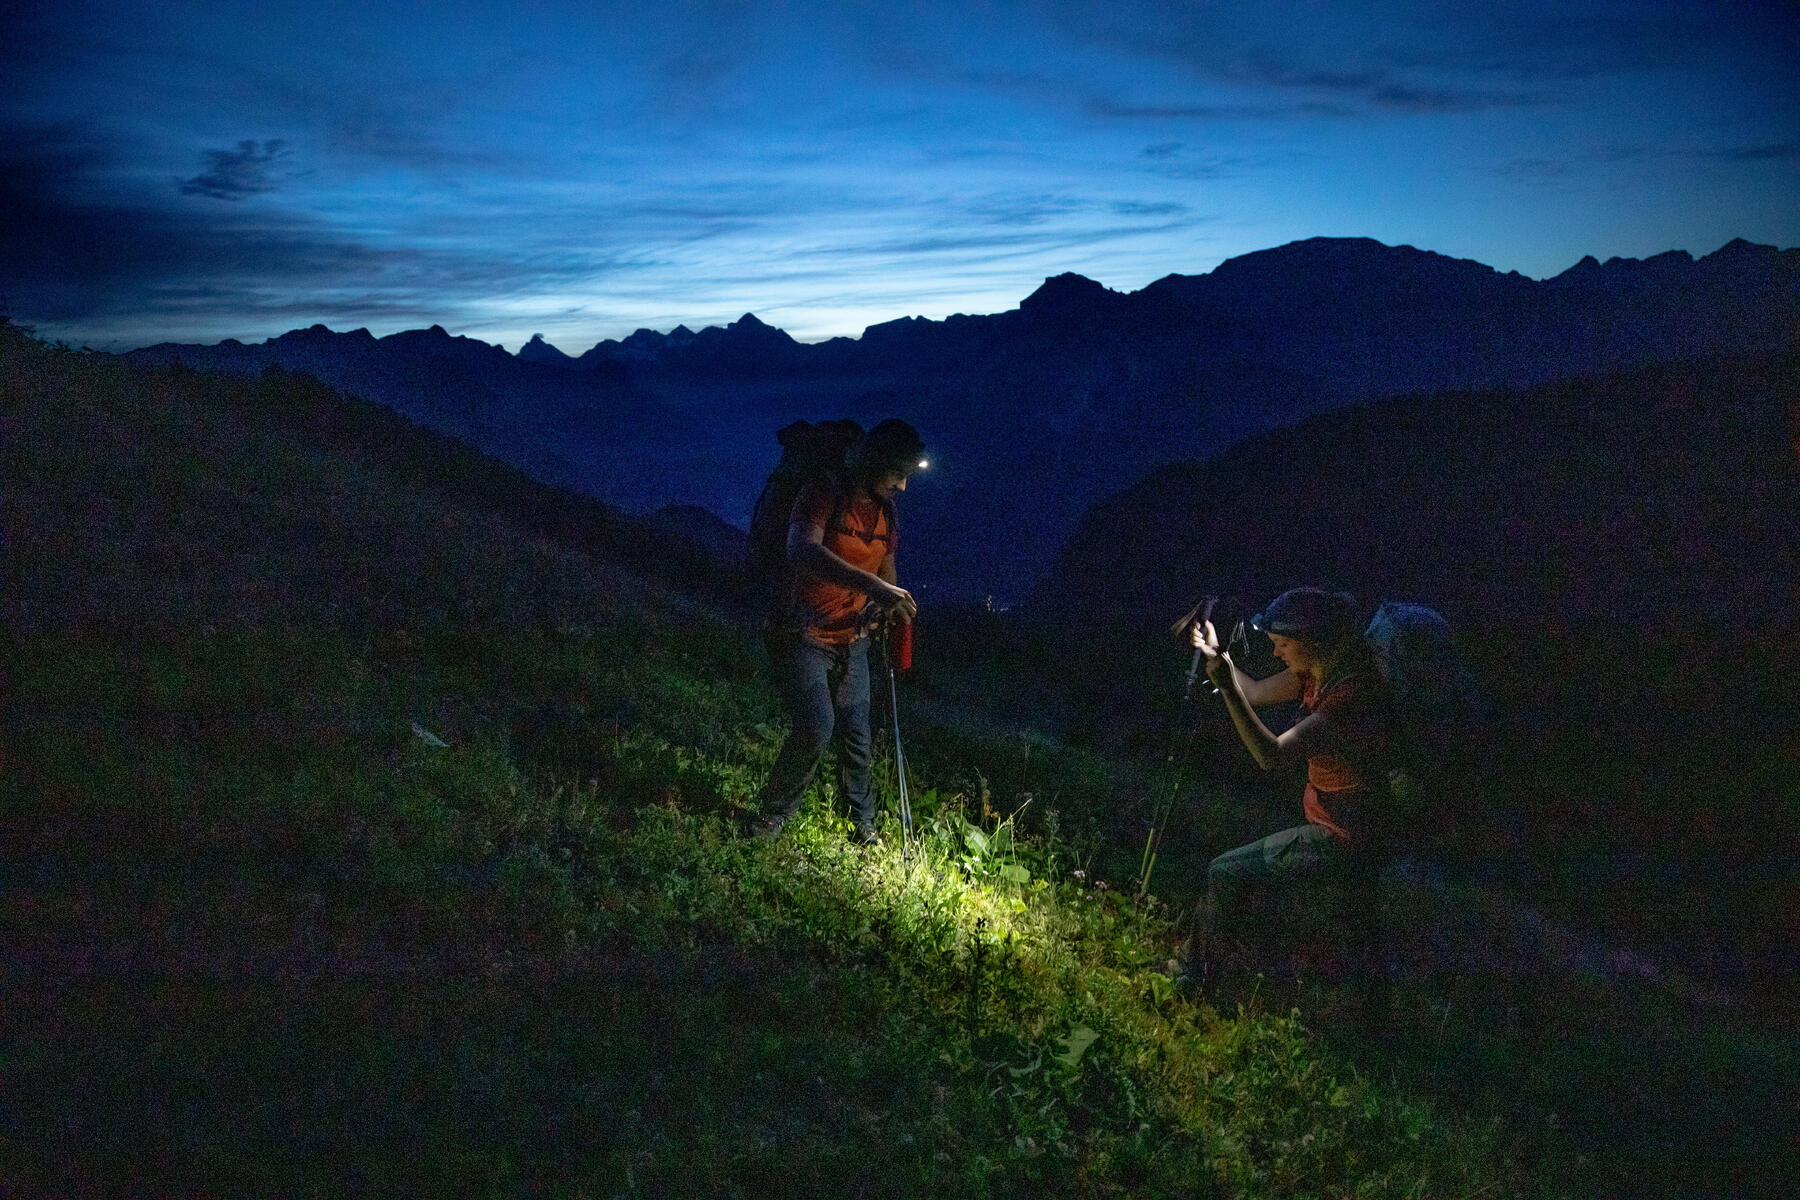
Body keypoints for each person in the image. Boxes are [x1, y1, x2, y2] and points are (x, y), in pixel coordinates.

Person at [1189, 587, 1397, 1013]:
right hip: (1355, 830)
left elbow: (1271, 754)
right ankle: (1372, 1023)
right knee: (1359, 935)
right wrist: (1220, 660)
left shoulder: (1349, 700)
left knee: (1225, 873)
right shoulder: (1317, 673)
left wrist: (1227, 688)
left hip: (1342, 835)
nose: (1278, 652)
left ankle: (1196, 982)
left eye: (1283, 644)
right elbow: (1259, 692)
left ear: (1313, 641)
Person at [750, 419, 925, 845]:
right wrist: (870, 586)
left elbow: (885, 569)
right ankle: (773, 817)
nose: (902, 486)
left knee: (857, 735)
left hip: (853, 638)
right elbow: (801, 549)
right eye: (898, 473)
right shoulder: (824, 491)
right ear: (876, 461)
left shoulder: (886, 512)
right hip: (802, 630)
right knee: (816, 723)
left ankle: (862, 826)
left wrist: (891, 603)